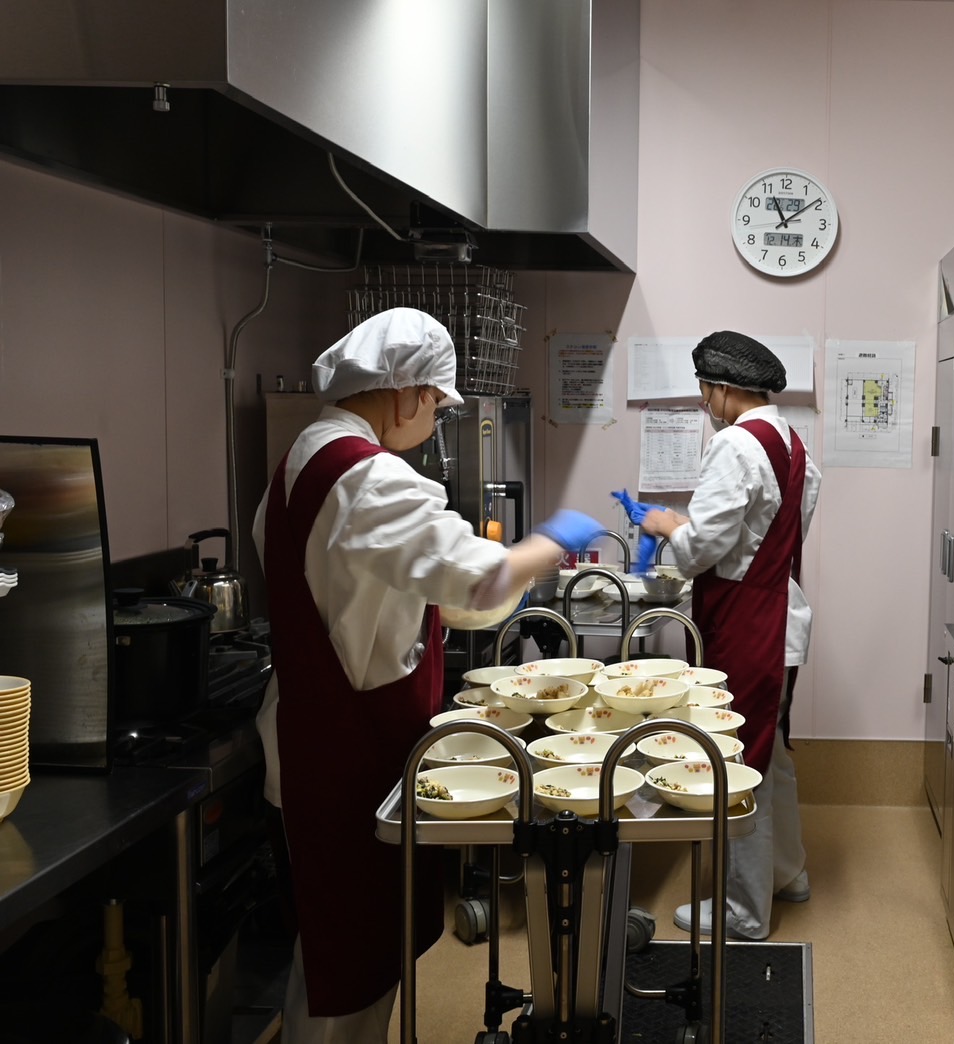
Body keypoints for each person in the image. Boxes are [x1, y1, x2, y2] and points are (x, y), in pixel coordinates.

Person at [253, 308, 603, 1042]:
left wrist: (491, 582)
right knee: (350, 971)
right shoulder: (369, 477)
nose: (435, 421)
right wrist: (553, 543)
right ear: (407, 392)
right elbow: (478, 579)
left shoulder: (303, 457)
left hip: (314, 737)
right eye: (438, 406)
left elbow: (416, 587)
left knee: (333, 952)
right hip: (347, 752)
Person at [639, 330, 821, 940]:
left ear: (723, 388)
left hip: (748, 624)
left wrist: (669, 524)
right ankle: (788, 872)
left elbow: (701, 550)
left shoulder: (734, 444)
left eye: (704, 390)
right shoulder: (793, 442)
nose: (703, 402)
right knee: (774, 754)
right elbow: (771, 532)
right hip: (782, 615)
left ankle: (745, 909)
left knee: (740, 759)